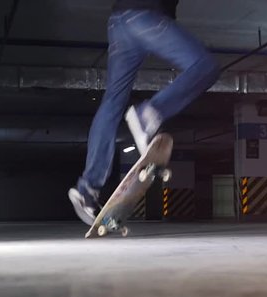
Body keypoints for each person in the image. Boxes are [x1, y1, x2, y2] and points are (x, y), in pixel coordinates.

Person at [68, 0, 220, 225]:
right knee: (206, 66)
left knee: (112, 102)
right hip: (145, 17)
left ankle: (88, 189)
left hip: (118, 22)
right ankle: (150, 113)